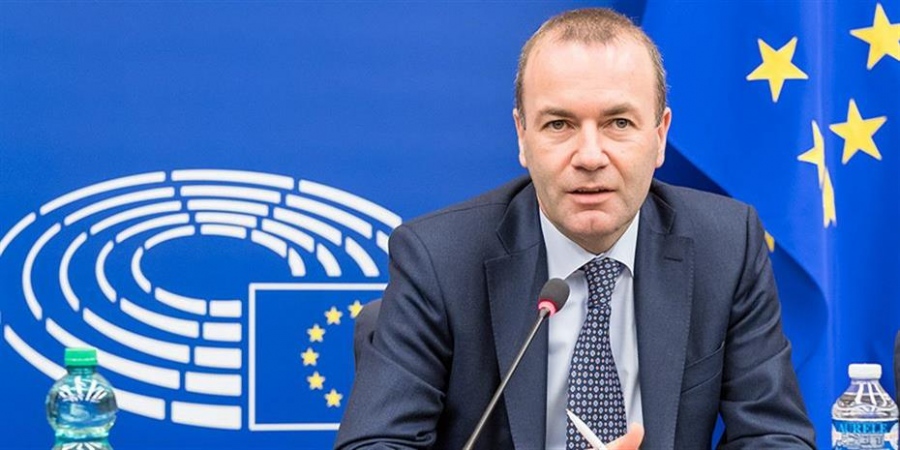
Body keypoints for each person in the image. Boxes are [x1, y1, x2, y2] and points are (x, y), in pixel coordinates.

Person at [335, 7, 815, 450]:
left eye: (618, 123)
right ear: (522, 136)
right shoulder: (439, 259)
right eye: (559, 124)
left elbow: (774, 436)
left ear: (660, 135)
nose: (589, 156)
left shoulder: (726, 246)